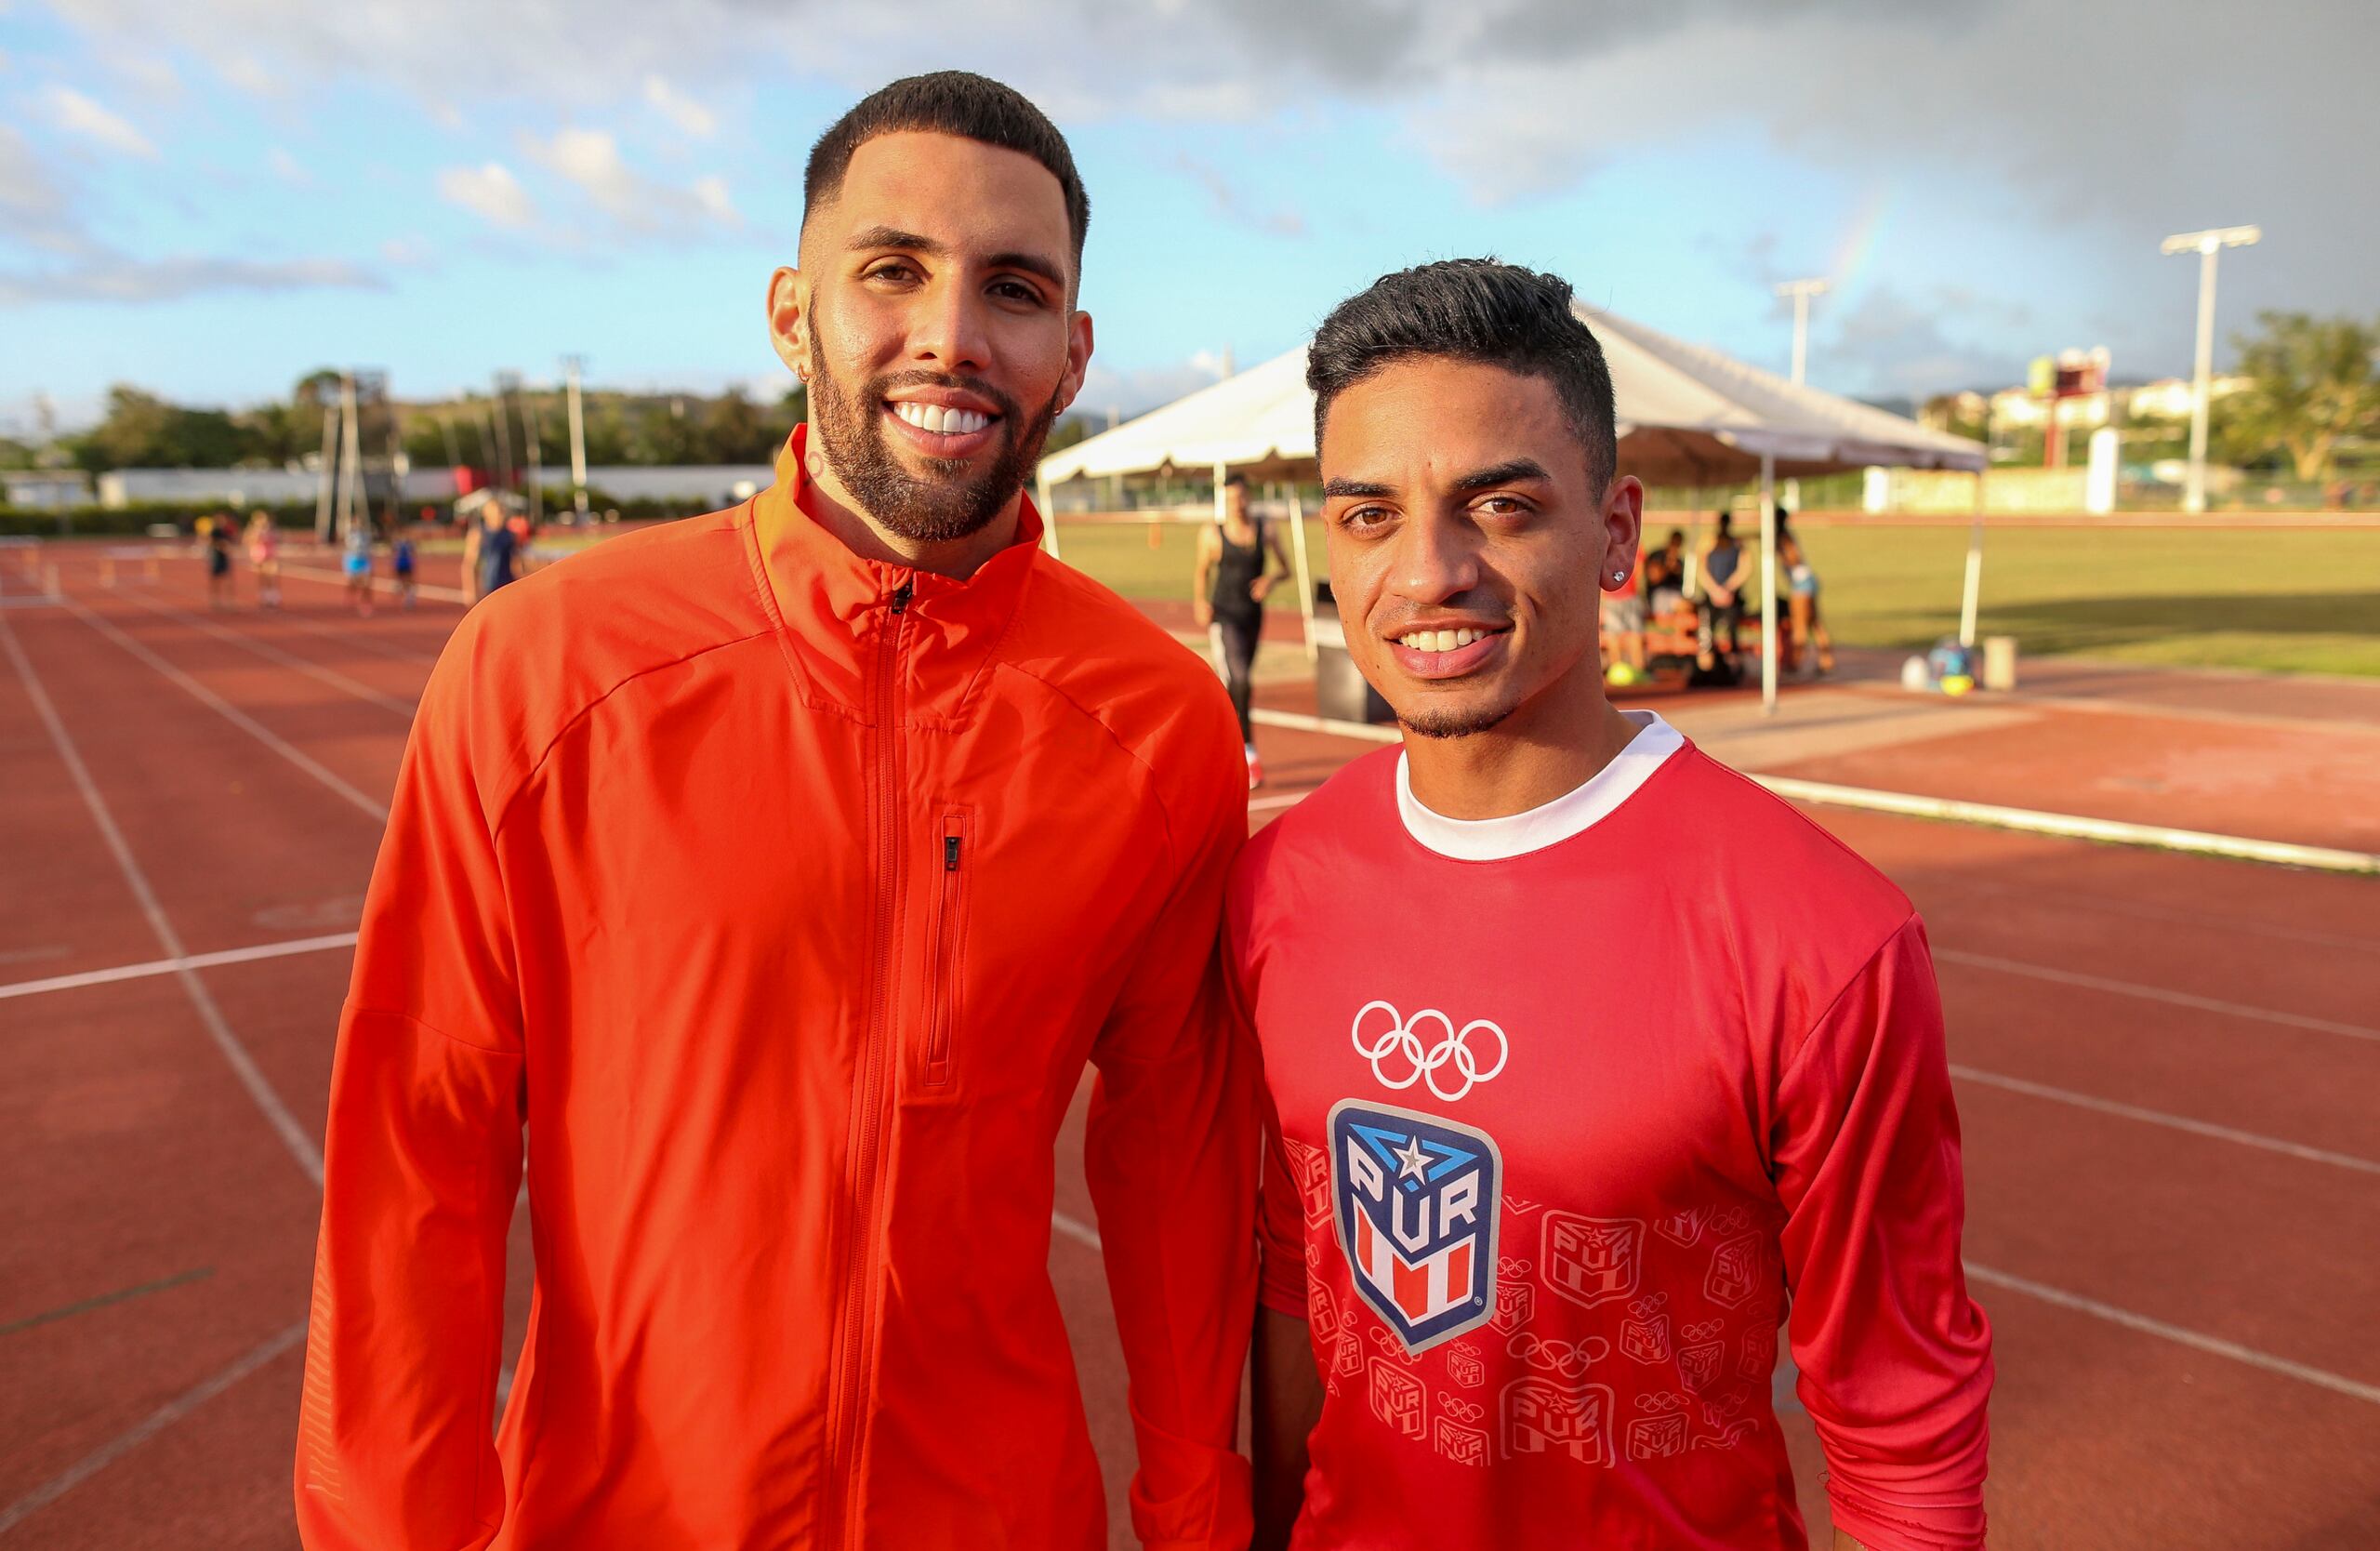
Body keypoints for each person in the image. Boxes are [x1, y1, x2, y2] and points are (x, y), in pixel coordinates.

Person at [297, 71, 1256, 1551]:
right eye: (892, 270)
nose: (951, 336)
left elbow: (1179, 1153)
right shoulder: (549, 665)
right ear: (790, 310)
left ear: (1070, 352)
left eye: (1011, 288)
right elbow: (415, 1154)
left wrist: (1202, 1517)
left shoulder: (1160, 722)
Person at [1232, 260, 1992, 1551]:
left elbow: (1903, 1415)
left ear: (1620, 533)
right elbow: (1292, 1277)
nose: (1429, 572)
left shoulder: (1824, 942)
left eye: (1502, 506)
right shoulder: (1273, 883)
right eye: (1368, 516)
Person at [1194, 471, 1292, 788]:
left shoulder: (1265, 529)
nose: (1236, 504)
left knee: (1236, 689)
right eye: (1230, 499)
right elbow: (1201, 571)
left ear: (1248, 497)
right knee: (1241, 680)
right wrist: (1199, 601)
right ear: (1224, 502)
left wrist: (1270, 580)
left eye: (1240, 497)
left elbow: (1285, 569)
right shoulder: (1212, 534)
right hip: (1225, 617)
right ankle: (1248, 754)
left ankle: (1218, 746)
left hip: (1252, 617)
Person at [1778, 510, 1834, 678]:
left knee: (1800, 625)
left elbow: (1794, 557)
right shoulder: (1784, 535)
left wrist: (1784, 559)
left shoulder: (1783, 538)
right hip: (1808, 580)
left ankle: (1795, 662)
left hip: (1800, 583)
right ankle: (1826, 661)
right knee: (1815, 624)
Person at [1694, 510, 1744, 673]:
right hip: (1711, 595)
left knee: (1732, 625)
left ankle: (1733, 662)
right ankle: (1706, 663)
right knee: (1706, 626)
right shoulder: (1708, 542)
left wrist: (1728, 588)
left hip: (1731, 596)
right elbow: (1700, 568)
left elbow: (1745, 568)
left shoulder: (1737, 544)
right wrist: (1714, 590)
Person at [473, 499, 523, 601]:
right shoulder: (479, 534)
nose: (502, 515)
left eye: (502, 511)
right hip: (490, 585)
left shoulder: (510, 535)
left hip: (508, 583)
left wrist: (520, 582)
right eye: (499, 512)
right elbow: (471, 564)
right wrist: (471, 590)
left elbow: (516, 560)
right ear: (487, 514)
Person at [245, 510, 282, 609]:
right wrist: (257, 535)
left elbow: (277, 539)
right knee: (262, 577)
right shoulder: (254, 530)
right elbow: (248, 541)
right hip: (259, 555)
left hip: (270, 554)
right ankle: (264, 597)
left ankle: (273, 597)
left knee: (272, 575)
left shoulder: (271, 529)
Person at [340, 521, 375, 616]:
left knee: (366, 584)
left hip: (364, 560)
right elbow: (346, 547)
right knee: (353, 583)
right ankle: (349, 597)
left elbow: (369, 548)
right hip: (353, 560)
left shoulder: (366, 536)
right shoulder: (350, 536)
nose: (358, 525)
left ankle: (365, 604)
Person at [205, 516, 233, 607]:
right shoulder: (214, 531)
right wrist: (220, 545)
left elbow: (232, 541)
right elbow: (210, 542)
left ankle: (229, 600)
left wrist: (227, 547)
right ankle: (215, 599)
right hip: (216, 556)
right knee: (215, 579)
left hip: (224, 557)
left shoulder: (227, 531)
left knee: (227, 579)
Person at [390, 526, 418, 610]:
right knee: (403, 582)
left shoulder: (407, 543)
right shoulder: (399, 543)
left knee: (407, 582)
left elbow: (413, 553)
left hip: (406, 563)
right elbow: (394, 553)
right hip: (401, 564)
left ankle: (408, 598)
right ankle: (405, 594)